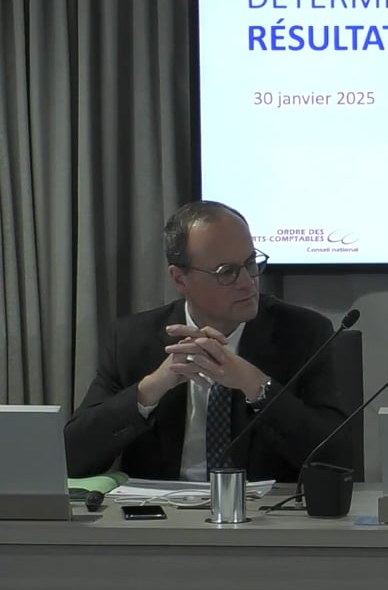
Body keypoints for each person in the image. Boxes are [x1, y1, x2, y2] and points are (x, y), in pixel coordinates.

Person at [65, 201, 352, 481]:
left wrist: (257, 386)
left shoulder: (303, 333)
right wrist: (149, 390)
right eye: (226, 272)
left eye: (250, 263)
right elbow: (71, 459)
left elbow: (336, 459)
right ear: (180, 279)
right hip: (161, 510)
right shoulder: (132, 340)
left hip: (263, 510)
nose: (248, 282)